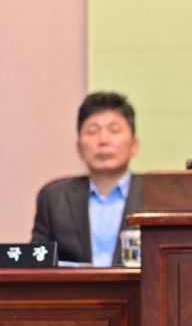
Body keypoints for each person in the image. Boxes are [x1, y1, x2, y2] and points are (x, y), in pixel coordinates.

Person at [31, 92, 142, 266]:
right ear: (79, 148)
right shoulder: (54, 199)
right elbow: (36, 265)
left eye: (114, 130)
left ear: (134, 145)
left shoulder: (157, 196)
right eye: (92, 131)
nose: (103, 140)